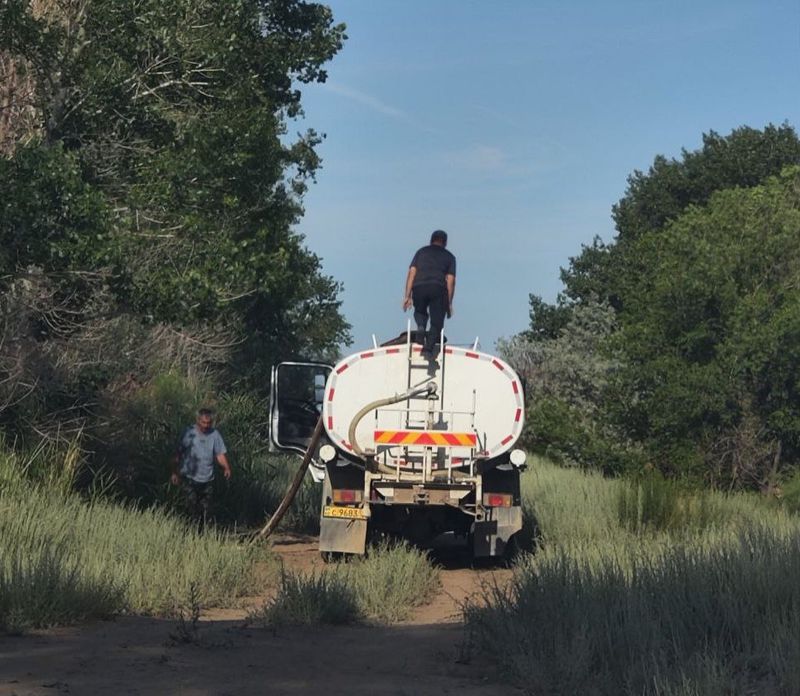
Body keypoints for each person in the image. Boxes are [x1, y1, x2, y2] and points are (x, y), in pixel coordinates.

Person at [171, 408, 231, 532]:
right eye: (204, 423)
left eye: (209, 423)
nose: (206, 426)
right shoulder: (189, 433)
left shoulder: (215, 435)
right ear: (198, 421)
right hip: (190, 478)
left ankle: (203, 534)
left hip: (207, 479)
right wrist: (175, 472)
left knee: (206, 511)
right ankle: (190, 534)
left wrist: (226, 468)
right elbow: (178, 454)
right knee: (191, 508)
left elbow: (219, 454)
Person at [402, 229, 456, 358]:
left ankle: (421, 327)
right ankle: (428, 348)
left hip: (419, 286)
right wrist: (448, 303)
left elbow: (412, 272)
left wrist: (407, 296)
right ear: (446, 242)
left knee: (420, 311)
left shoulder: (421, 252)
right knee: (437, 320)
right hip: (438, 288)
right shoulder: (449, 257)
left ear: (431, 240)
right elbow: (451, 280)